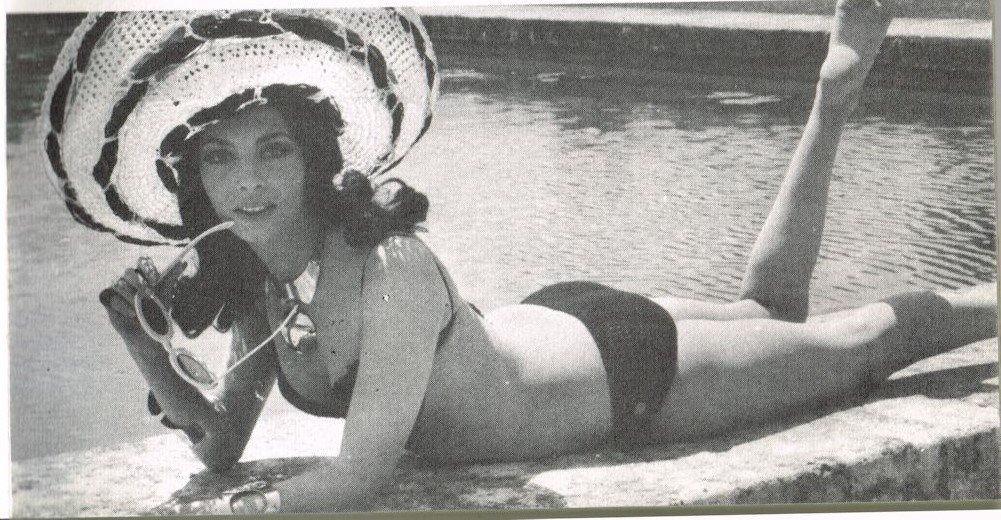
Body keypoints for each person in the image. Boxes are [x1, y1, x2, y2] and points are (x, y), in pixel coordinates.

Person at [39, 1, 996, 514]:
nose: (247, 183)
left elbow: (359, 479)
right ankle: (835, 92)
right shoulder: (258, 275)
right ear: (194, 180)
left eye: (273, 151)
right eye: (220, 158)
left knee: (861, 346)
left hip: (622, 374)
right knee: (767, 313)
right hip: (546, 327)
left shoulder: (385, 265)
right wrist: (143, 343)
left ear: (314, 156)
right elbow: (220, 446)